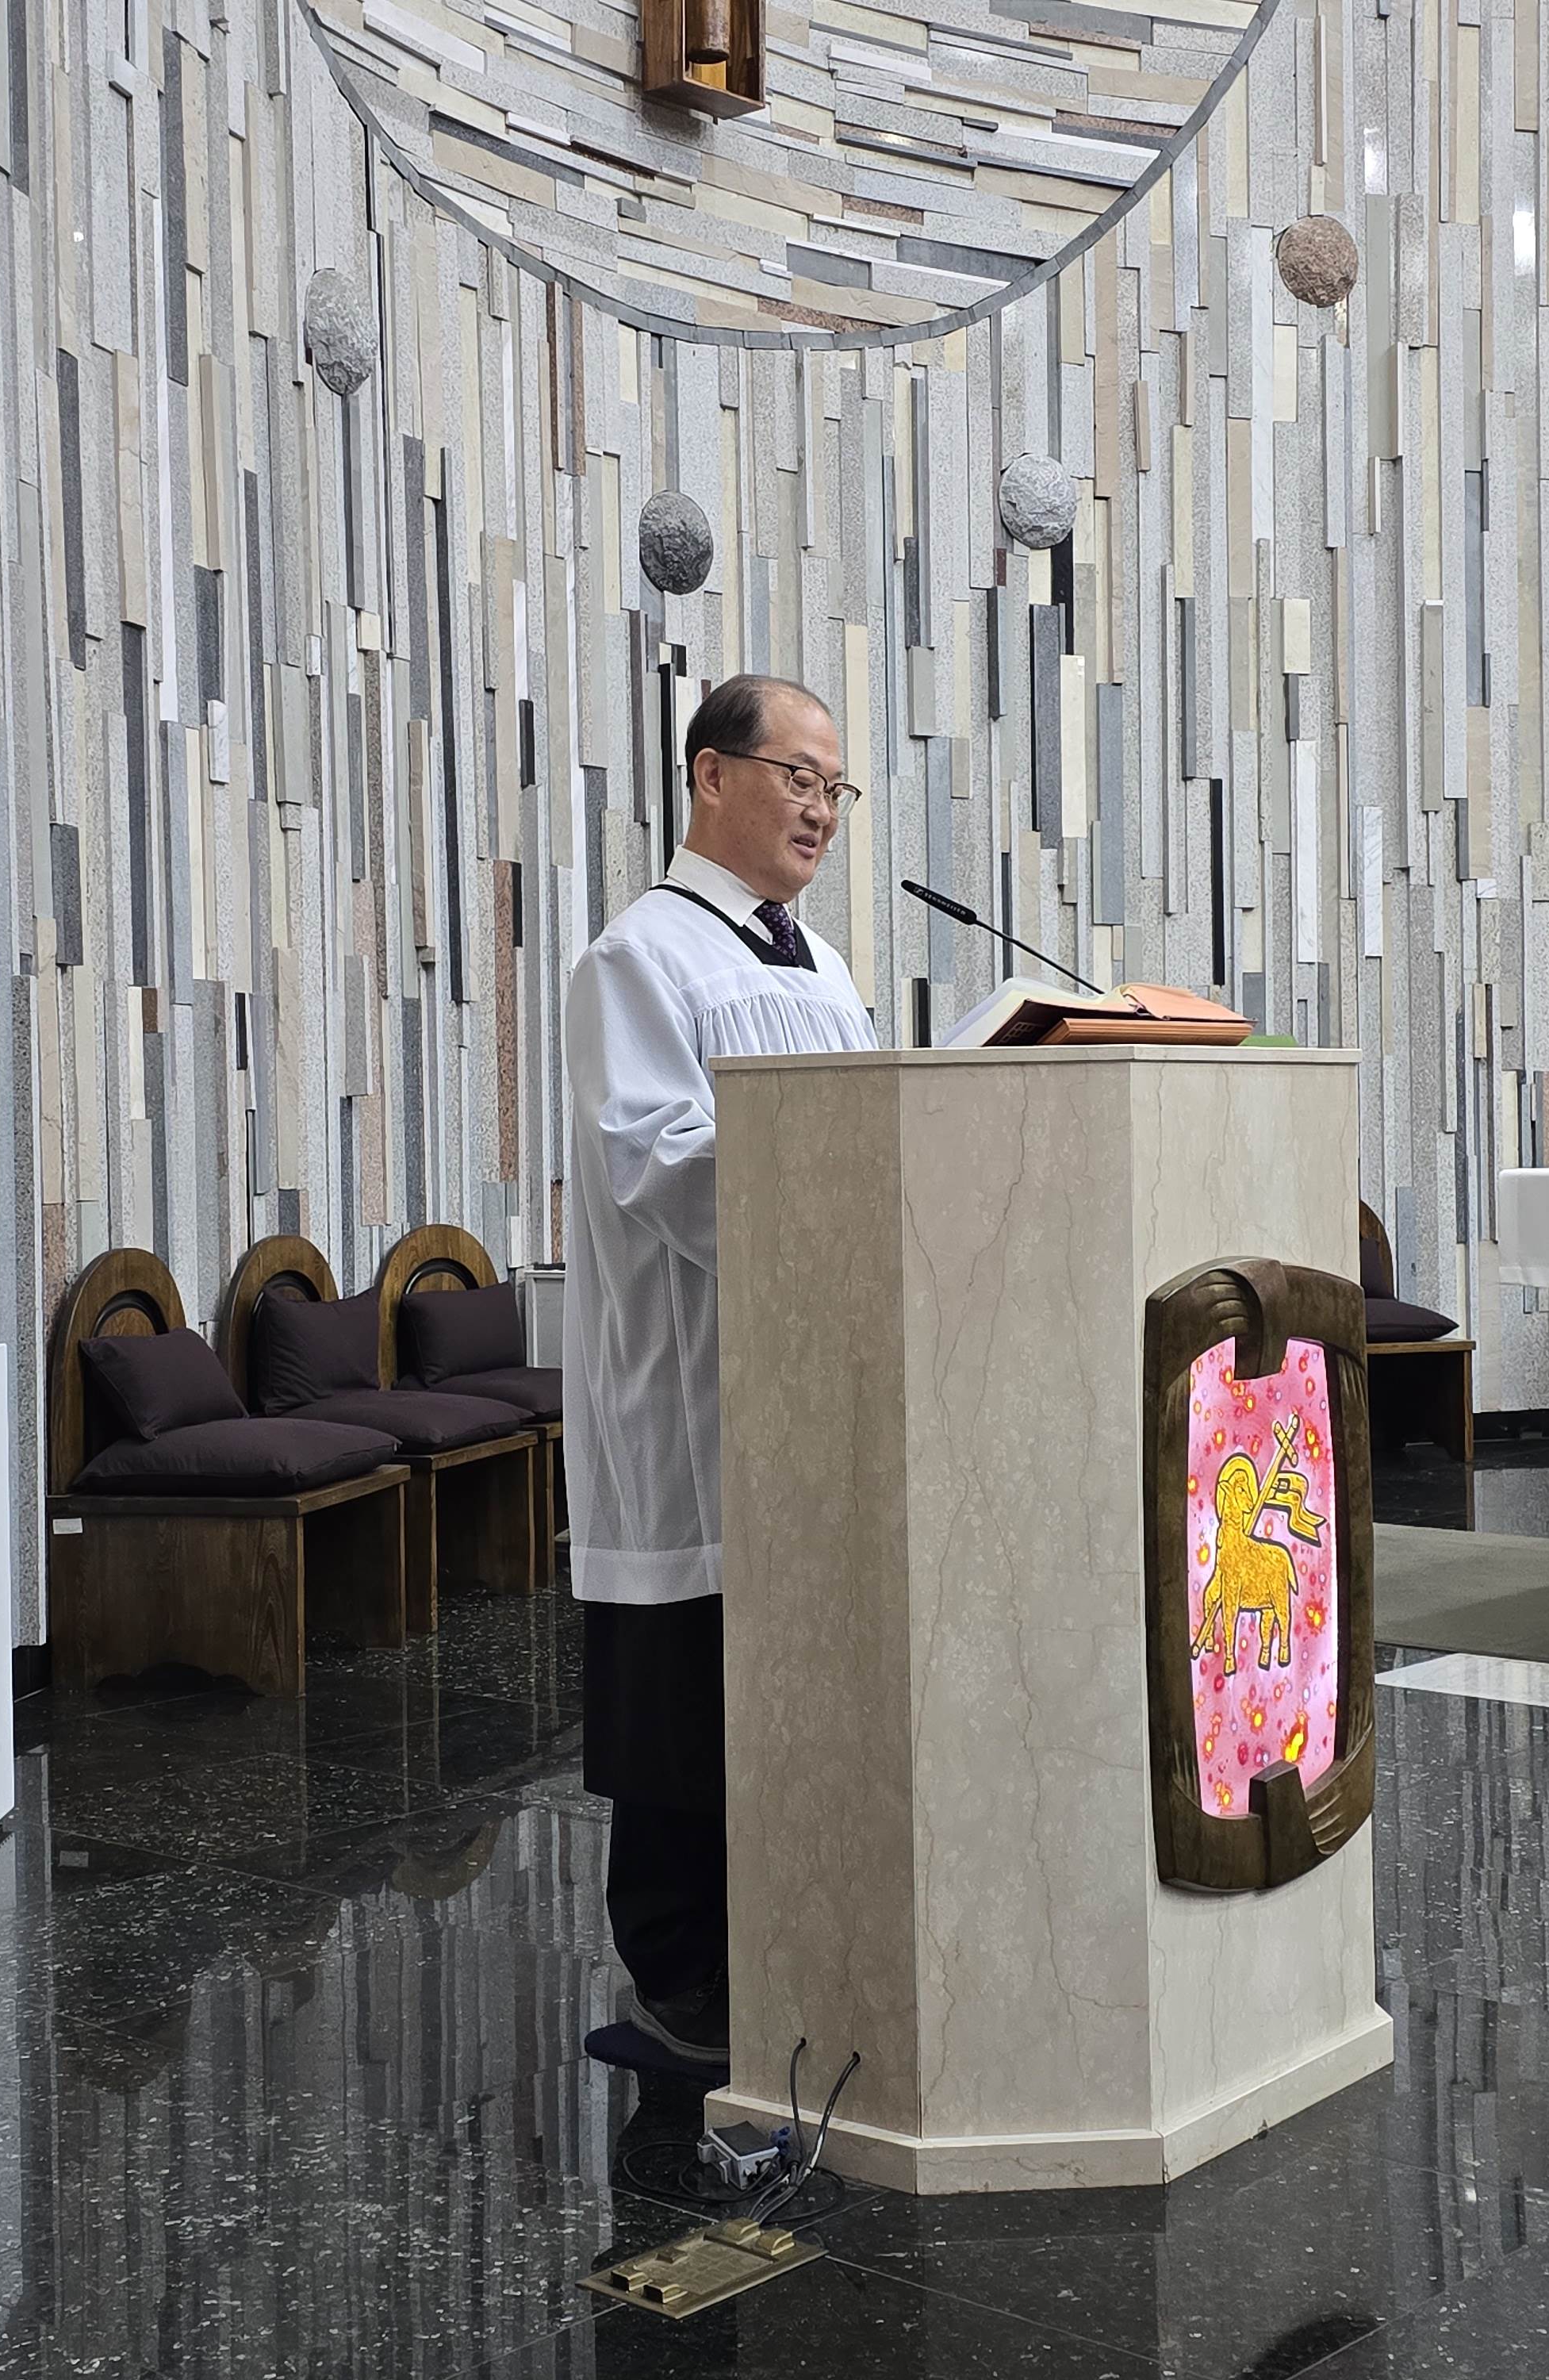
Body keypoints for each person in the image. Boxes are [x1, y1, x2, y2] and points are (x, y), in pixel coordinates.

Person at [562, 673, 876, 2067]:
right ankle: (679, 1973)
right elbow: (658, 1162)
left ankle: (791, 1937)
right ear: (709, 776)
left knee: (791, 1683)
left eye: (834, 787)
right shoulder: (639, 958)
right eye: (798, 776)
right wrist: (833, 1212)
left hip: (818, 1383)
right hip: (691, 1387)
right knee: (685, 1693)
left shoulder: (826, 969)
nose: (822, 809)